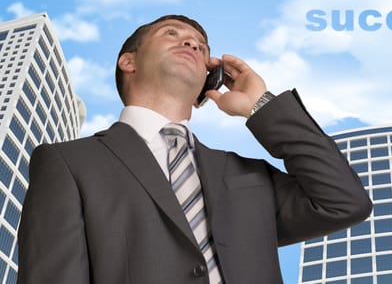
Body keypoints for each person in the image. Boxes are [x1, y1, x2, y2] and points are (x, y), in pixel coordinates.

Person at [17, 15, 372, 284]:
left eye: (201, 47)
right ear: (129, 61)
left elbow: (344, 202)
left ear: (208, 79)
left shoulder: (247, 175)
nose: (192, 45)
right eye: (172, 34)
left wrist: (259, 105)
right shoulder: (69, 163)